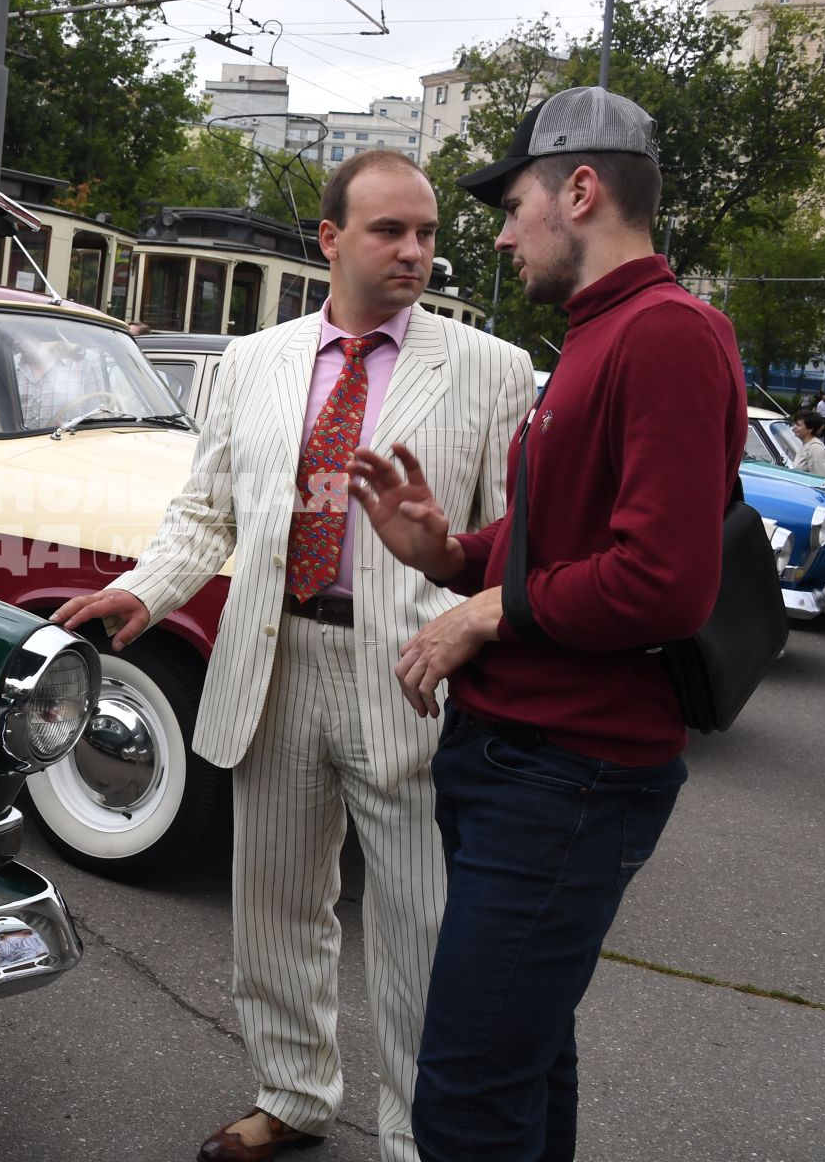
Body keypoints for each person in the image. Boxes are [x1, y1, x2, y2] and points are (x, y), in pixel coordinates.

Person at [53, 148, 533, 1162]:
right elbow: (204, 515)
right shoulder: (252, 362)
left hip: (408, 678)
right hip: (272, 665)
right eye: (388, 230)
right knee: (273, 905)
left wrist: (476, 623)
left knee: (417, 925)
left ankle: (417, 1131)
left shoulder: (490, 370)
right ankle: (294, 1090)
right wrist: (147, 588)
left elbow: (517, 540)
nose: (415, 251)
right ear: (330, 239)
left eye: (428, 233)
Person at [346, 87, 745, 1162]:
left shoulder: (665, 334)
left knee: (468, 1097)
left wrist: (487, 610)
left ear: (581, 189)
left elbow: (663, 582)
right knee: (525, 1062)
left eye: (515, 205)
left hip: (568, 776)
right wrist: (449, 550)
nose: (503, 233)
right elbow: (562, 537)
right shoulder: (603, 332)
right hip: (525, 761)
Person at [12, 326, 104, 427]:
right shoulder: (9, 364)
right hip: (16, 442)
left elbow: (98, 417)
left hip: (69, 441)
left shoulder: (86, 362)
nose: (17, 340)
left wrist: (68, 428)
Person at [790, 409, 825, 476]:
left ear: (810, 429)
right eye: (794, 424)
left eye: (798, 425)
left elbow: (821, 478)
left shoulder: (815, 448)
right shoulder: (805, 444)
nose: (794, 427)